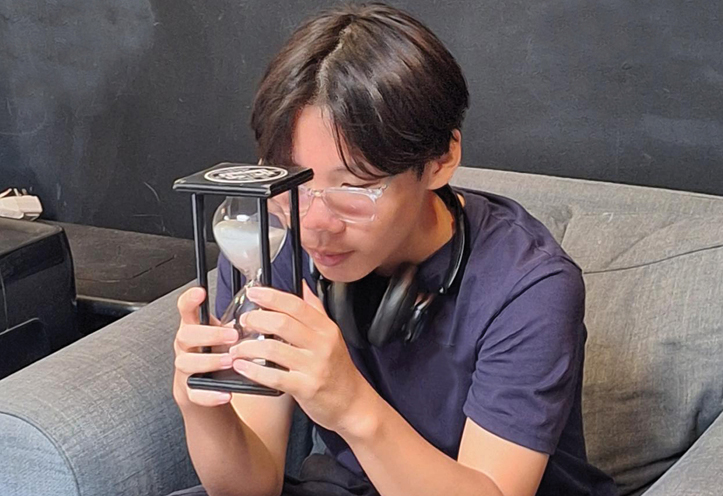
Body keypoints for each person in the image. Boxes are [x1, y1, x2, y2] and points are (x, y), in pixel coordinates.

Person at [170, 3, 618, 496]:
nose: (314, 226)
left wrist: (351, 405)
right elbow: (250, 488)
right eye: (293, 182)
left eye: (355, 188)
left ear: (441, 160)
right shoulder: (271, 241)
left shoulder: (529, 287)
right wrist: (201, 407)